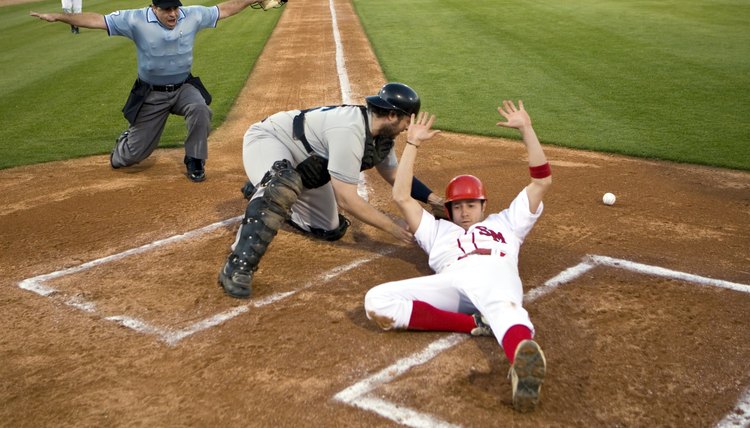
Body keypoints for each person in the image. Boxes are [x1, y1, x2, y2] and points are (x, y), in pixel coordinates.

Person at [364, 100, 552, 413]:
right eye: (457, 207)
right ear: (448, 209)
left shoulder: (507, 222)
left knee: (508, 312)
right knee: (376, 301)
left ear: (483, 205)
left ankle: (522, 362)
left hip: (495, 274)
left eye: (471, 205)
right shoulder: (436, 231)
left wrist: (527, 130)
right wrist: (411, 143)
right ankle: (474, 324)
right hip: (452, 280)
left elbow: (541, 181)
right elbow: (401, 195)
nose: (464, 212)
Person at [218, 82, 446, 299]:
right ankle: (238, 264)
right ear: (392, 115)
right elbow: (346, 199)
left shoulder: (381, 137)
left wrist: (433, 199)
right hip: (270, 140)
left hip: (304, 165)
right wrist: (393, 228)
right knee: (282, 185)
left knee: (329, 228)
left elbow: (395, 176)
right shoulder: (350, 130)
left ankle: (264, 189)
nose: (408, 127)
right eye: (407, 120)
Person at [30, 0, 283, 182]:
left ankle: (195, 159)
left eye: (175, 7)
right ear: (154, 8)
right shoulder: (134, 20)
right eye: (166, 9)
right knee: (127, 159)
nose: (173, 13)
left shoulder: (192, 15)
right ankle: (125, 143)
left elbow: (225, 8)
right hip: (151, 94)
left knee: (200, 109)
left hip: (183, 86)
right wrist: (60, 17)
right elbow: (97, 20)